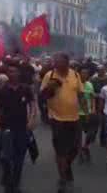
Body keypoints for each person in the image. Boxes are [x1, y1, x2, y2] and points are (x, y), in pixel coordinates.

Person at [40, 53, 83, 193]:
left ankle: (66, 166)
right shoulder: (49, 75)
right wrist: (50, 88)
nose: (56, 64)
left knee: (76, 148)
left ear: (67, 63)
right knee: (61, 151)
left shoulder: (75, 75)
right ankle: (62, 178)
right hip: (57, 119)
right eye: (55, 62)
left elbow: (80, 93)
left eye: (60, 62)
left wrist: (86, 111)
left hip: (75, 118)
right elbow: (42, 96)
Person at [0, 62, 36, 193]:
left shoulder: (25, 89)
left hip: (22, 128)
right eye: (10, 71)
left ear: (19, 73)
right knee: (6, 157)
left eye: (15, 71)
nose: (12, 74)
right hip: (6, 127)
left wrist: (31, 120)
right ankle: (7, 176)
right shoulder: (2, 90)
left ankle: (15, 184)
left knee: (19, 158)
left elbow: (33, 105)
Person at [78, 68, 97, 164]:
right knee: (80, 134)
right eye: (83, 73)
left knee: (91, 133)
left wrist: (93, 108)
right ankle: (81, 152)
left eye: (86, 73)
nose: (84, 75)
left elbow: (92, 97)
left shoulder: (89, 84)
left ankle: (85, 146)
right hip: (78, 113)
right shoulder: (76, 84)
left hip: (89, 112)